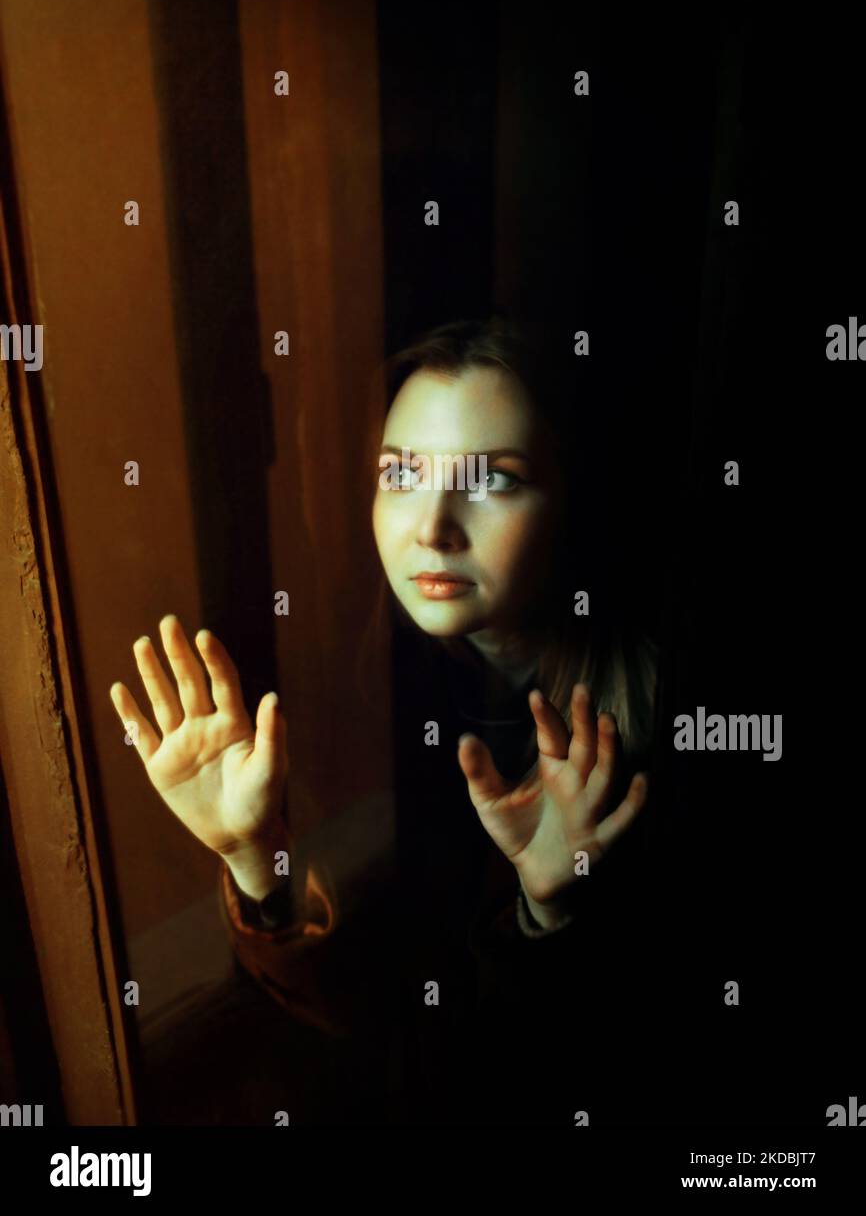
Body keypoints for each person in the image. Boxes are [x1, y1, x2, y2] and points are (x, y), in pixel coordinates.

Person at [110, 316, 671, 1126]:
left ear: (573, 498)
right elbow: (373, 1025)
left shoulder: (646, 720)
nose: (433, 528)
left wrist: (553, 909)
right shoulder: (378, 681)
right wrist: (253, 862)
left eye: (495, 480)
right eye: (401, 473)